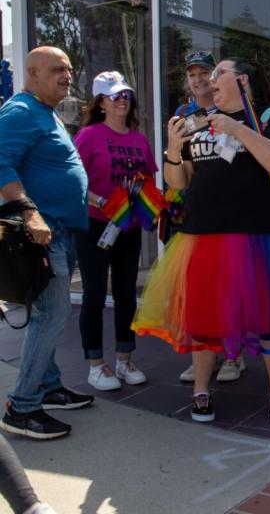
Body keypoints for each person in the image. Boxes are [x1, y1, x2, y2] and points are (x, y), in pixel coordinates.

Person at [132, 58, 270, 423]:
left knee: (268, 320)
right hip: (202, 236)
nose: (210, 79)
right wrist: (174, 149)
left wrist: (237, 131)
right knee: (203, 322)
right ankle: (201, 391)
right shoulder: (199, 122)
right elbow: (179, 182)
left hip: (258, 237)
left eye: (218, 73)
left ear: (243, 79)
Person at [0, 47, 94, 440]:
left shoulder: (46, 112)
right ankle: (21, 408)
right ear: (32, 73)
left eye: (69, 69)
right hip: (42, 232)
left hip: (60, 230)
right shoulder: (20, 111)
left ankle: (48, 385)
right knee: (51, 315)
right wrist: (30, 213)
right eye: (57, 69)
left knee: (49, 313)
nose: (66, 75)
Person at [72, 72, 157, 391]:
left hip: (128, 226)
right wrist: (100, 200)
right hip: (95, 224)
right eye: (114, 96)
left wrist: (149, 206)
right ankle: (95, 364)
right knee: (94, 293)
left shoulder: (138, 138)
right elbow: (75, 181)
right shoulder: (89, 135)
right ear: (101, 103)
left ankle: (124, 359)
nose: (122, 100)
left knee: (125, 294)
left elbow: (148, 177)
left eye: (125, 95)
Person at [170, 51, 246, 384]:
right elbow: (181, 171)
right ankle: (204, 356)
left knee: (233, 293)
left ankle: (233, 354)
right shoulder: (183, 116)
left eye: (205, 73)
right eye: (192, 75)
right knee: (203, 296)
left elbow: (233, 160)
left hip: (234, 216)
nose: (199, 80)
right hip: (199, 218)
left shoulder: (233, 110)